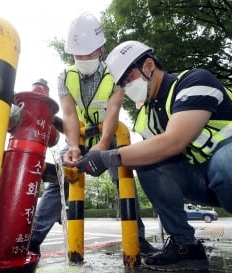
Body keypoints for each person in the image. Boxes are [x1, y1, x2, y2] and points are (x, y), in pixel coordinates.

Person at [76, 40, 232, 273]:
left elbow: (173, 142)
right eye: (121, 85)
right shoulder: (145, 117)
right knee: (144, 160)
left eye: (127, 80)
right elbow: (155, 155)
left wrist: (107, 158)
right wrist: (94, 155)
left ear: (149, 65)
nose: (126, 88)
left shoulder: (194, 81)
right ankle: (185, 246)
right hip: (201, 182)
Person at [29, 15, 157, 258]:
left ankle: (137, 239)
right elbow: (68, 114)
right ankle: (34, 239)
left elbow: (113, 111)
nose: (83, 59)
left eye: (89, 54)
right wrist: (73, 145)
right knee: (60, 179)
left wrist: (101, 144)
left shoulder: (115, 74)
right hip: (78, 136)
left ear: (101, 49)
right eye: (78, 55)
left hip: (110, 136)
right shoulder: (65, 76)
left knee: (123, 180)